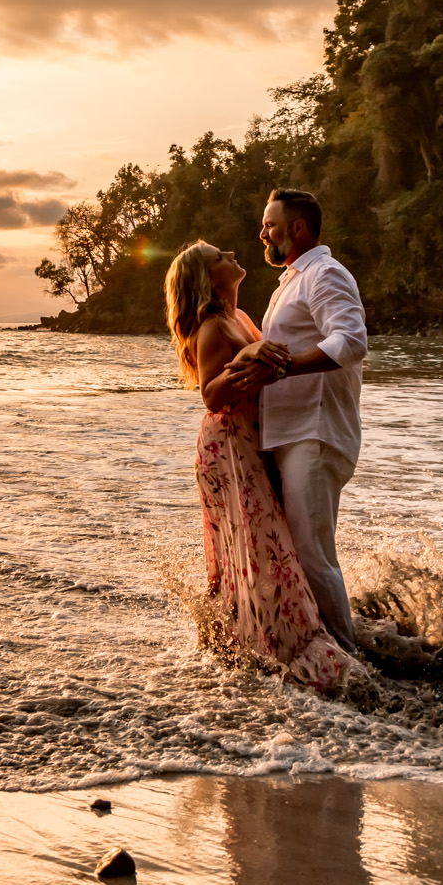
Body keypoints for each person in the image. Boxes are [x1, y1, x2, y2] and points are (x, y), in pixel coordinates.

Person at [165, 239, 353, 693]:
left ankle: (255, 636)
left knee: (267, 543)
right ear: (208, 278)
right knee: (258, 544)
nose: (232, 256)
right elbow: (211, 395)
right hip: (227, 447)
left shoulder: (241, 317)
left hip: (252, 441)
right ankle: (282, 645)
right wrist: (247, 357)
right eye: (220, 257)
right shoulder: (212, 326)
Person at [256, 188, 368, 655]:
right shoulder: (291, 281)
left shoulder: (324, 274)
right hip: (290, 433)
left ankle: (348, 660)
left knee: (311, 554)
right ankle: (310, 647)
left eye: (271, 224)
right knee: (295, 553)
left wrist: (286, 367)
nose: (263, 232)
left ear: (298, 228)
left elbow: (351, 341)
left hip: (314, 433)